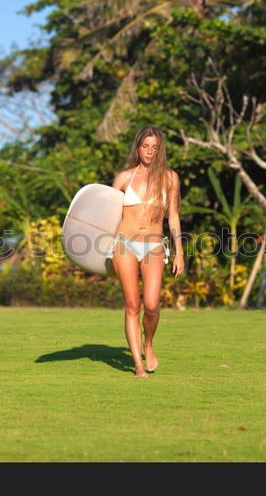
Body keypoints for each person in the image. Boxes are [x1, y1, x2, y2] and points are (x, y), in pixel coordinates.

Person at [107, 126, 184, 377]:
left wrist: (179, 251)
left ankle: (148, 344)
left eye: (154, 147)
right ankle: (138, 366)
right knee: (132, 305)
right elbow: (105, 214)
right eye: (145, 146)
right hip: (124, 243)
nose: (149, 151)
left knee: (151, 305)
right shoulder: (123, 178)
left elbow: (172, 216)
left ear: (160, 149)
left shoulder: (170, 178)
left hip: (153, 244)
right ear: (138, 147)